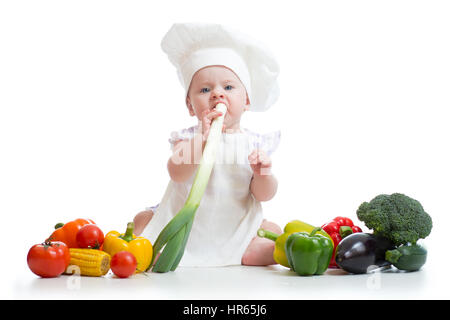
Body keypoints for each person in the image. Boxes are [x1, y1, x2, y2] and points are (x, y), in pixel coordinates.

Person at [134, 23, 282, 267]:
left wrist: (263, 173)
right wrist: (203, 137)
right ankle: (160, 250)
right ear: (191, 106)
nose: (217, 94)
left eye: (228, 87)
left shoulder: (254, 143)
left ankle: (250, 251)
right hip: (190, 226)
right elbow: (177, 172)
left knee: (272, 230)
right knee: (142, 220)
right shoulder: (188, 138)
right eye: (204, 89)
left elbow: (263, 195)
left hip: (235, 224)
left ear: (246, 100)